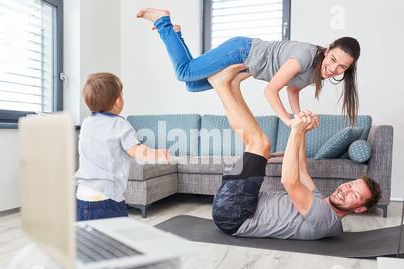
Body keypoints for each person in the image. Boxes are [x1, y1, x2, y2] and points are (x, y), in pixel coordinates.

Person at [207, 64, 381, 240]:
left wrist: (296, 131)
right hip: (243, 202)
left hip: (235, 215)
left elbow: (289, 181)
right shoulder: (319, 202)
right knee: (255, 143)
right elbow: (302, 169)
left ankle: (221, 85)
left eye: (355, 195)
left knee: (260, 143)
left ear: (360, 208)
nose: (345, 190)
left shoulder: (326, 219)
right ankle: (233, 87)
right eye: (350, 185)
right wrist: (302, 126)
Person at [137, 8, 361, 125]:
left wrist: (298, 115)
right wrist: (287, 121)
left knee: (192, 86)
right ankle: (162, 21)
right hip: (242, 51)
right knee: (184, 73)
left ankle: (176, 33)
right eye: (333, 60)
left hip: (246, 67)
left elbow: (292, 88)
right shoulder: (304, 56)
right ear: (327, 50)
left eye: (341, 67)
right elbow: (271, 90)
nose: (333, 69)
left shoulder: (317, 73)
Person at [74, 73, 170, 221]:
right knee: (116, 237)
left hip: (82, 197)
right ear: (118, 101)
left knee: (89, 240)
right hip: (107, 198)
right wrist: (159, 154)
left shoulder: (86, 123)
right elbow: (137, 151)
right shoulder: (119, 124)